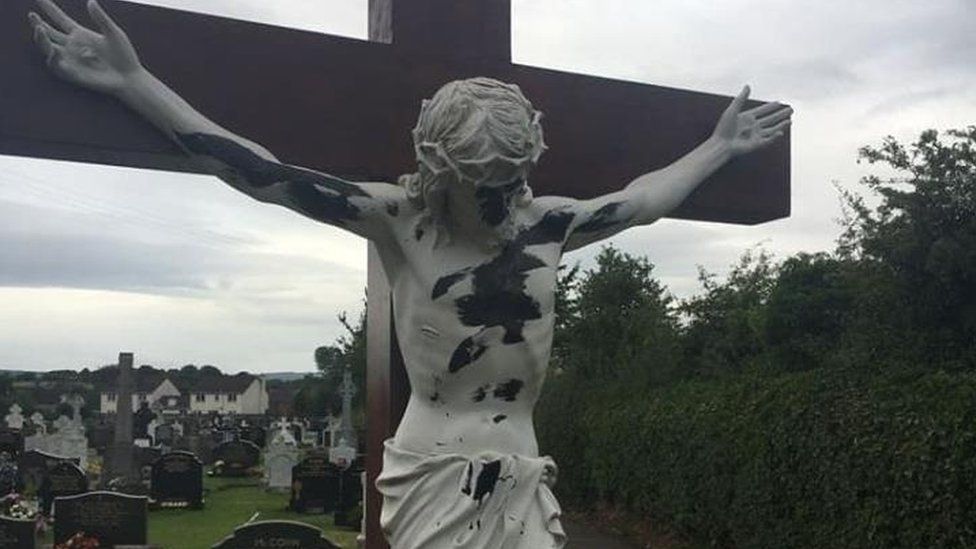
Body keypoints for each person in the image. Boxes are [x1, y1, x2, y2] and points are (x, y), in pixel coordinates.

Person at [28, 1, 792, 547]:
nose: (500, 204)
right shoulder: (400, 222)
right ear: (439, 169)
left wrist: (719, 148)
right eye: (480, 189)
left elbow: (642, 201)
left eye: (510, 183)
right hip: (434, 474)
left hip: (523, 467)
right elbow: (258, 170)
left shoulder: (548, 224)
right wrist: (134, 84)